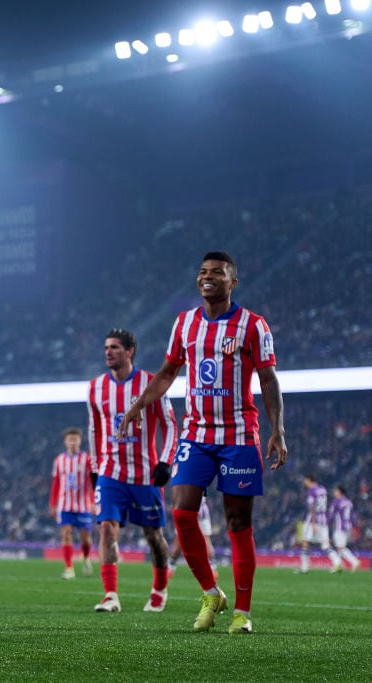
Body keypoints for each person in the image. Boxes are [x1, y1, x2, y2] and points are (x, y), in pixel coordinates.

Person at [118, 251, 288, 635]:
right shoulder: (185, 323)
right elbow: (168, 371)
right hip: (196, 434)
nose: (207, 277)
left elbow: (268, 379)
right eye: (203, 272)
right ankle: (212, 593)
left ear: (233, 282)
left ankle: (242, 612)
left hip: (238, 434)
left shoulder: (253, 325)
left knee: (238, 523)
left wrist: (277, 429)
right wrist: (139, 404)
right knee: (182, 513)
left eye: (217, 273)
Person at [87, 328, 177, 613]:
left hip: (145, 474)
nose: (108, 352)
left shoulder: (150, 382)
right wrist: (94, 467)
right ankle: (110, 595)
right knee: (106, 529)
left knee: (153, 535)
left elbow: (170, 424)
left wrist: (166, 461)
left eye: (114, 347)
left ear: (129, 351)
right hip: (111, 472)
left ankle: (160, 589)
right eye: (106, 348)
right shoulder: (95, 388)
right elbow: (94, 430)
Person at [48, 427, 94, 580]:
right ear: (65, 442)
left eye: (75, 439)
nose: (73, 442)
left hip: (83, 505)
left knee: (85, 539)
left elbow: (94, 481)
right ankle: (69, 568)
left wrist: (93, 500)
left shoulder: (87, 459)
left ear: (80, 441)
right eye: (70, 439)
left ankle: (86, 558)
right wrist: (53, 504)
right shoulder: (59, 460)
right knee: (66, 534)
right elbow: (56, 483)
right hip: (65, 505)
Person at [169, 496, 217, 579]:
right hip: (196, 509)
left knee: (180, 540)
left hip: (188, 508)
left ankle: (170, 568)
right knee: (205, 540)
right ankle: (213, 569)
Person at [299, 474, 335, 573]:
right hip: (323, 519)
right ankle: (337, 562)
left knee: (305, 542)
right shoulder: (323, 489)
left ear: (309, 480)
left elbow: (312, 507)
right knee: (325, 544)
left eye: (305, 481)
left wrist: (313, 523)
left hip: (313, 520)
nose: (304, 483)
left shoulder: (311, 491)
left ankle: (304, 568)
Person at [329, 486, 361, 573]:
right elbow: (353, 516)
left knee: (340, 547)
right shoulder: (349, 502)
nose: (334, 493)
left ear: (339, 492)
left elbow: (331, 515)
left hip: (339, 527)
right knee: (340, 547)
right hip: (348, 527)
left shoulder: (336, 502)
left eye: (335, 491)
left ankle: (354, 561)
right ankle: (339, 566)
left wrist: (327, 522)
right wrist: (354, 527)